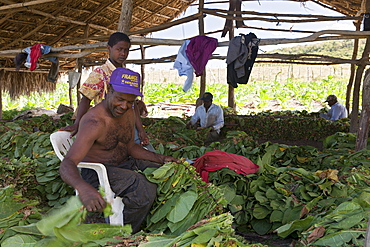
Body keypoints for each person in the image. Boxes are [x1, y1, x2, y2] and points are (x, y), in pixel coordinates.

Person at [59, 67, 179, 234]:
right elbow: (67, 163)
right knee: (143, 188)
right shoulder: (94, 122)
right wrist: (84, 189)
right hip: (98, 174)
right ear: (109, 90)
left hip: (124, 164)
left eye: (130, 102)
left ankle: (143, 220)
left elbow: (131, 147)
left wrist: (161, 158)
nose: (124, 106)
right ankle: (124, 234)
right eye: (120, 99)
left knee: (168, 172)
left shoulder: (128, 113)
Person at [60, 32, 151, 148]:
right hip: (107, 125)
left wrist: (140, 129)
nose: (123, 54)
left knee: (144, 152)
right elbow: (86, 99)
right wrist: (78, 123)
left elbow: (132, 107)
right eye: (119, 49)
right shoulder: (100, 73)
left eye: (126, 50)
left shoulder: (128, 75)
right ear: (109, 48)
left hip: (127, 124)